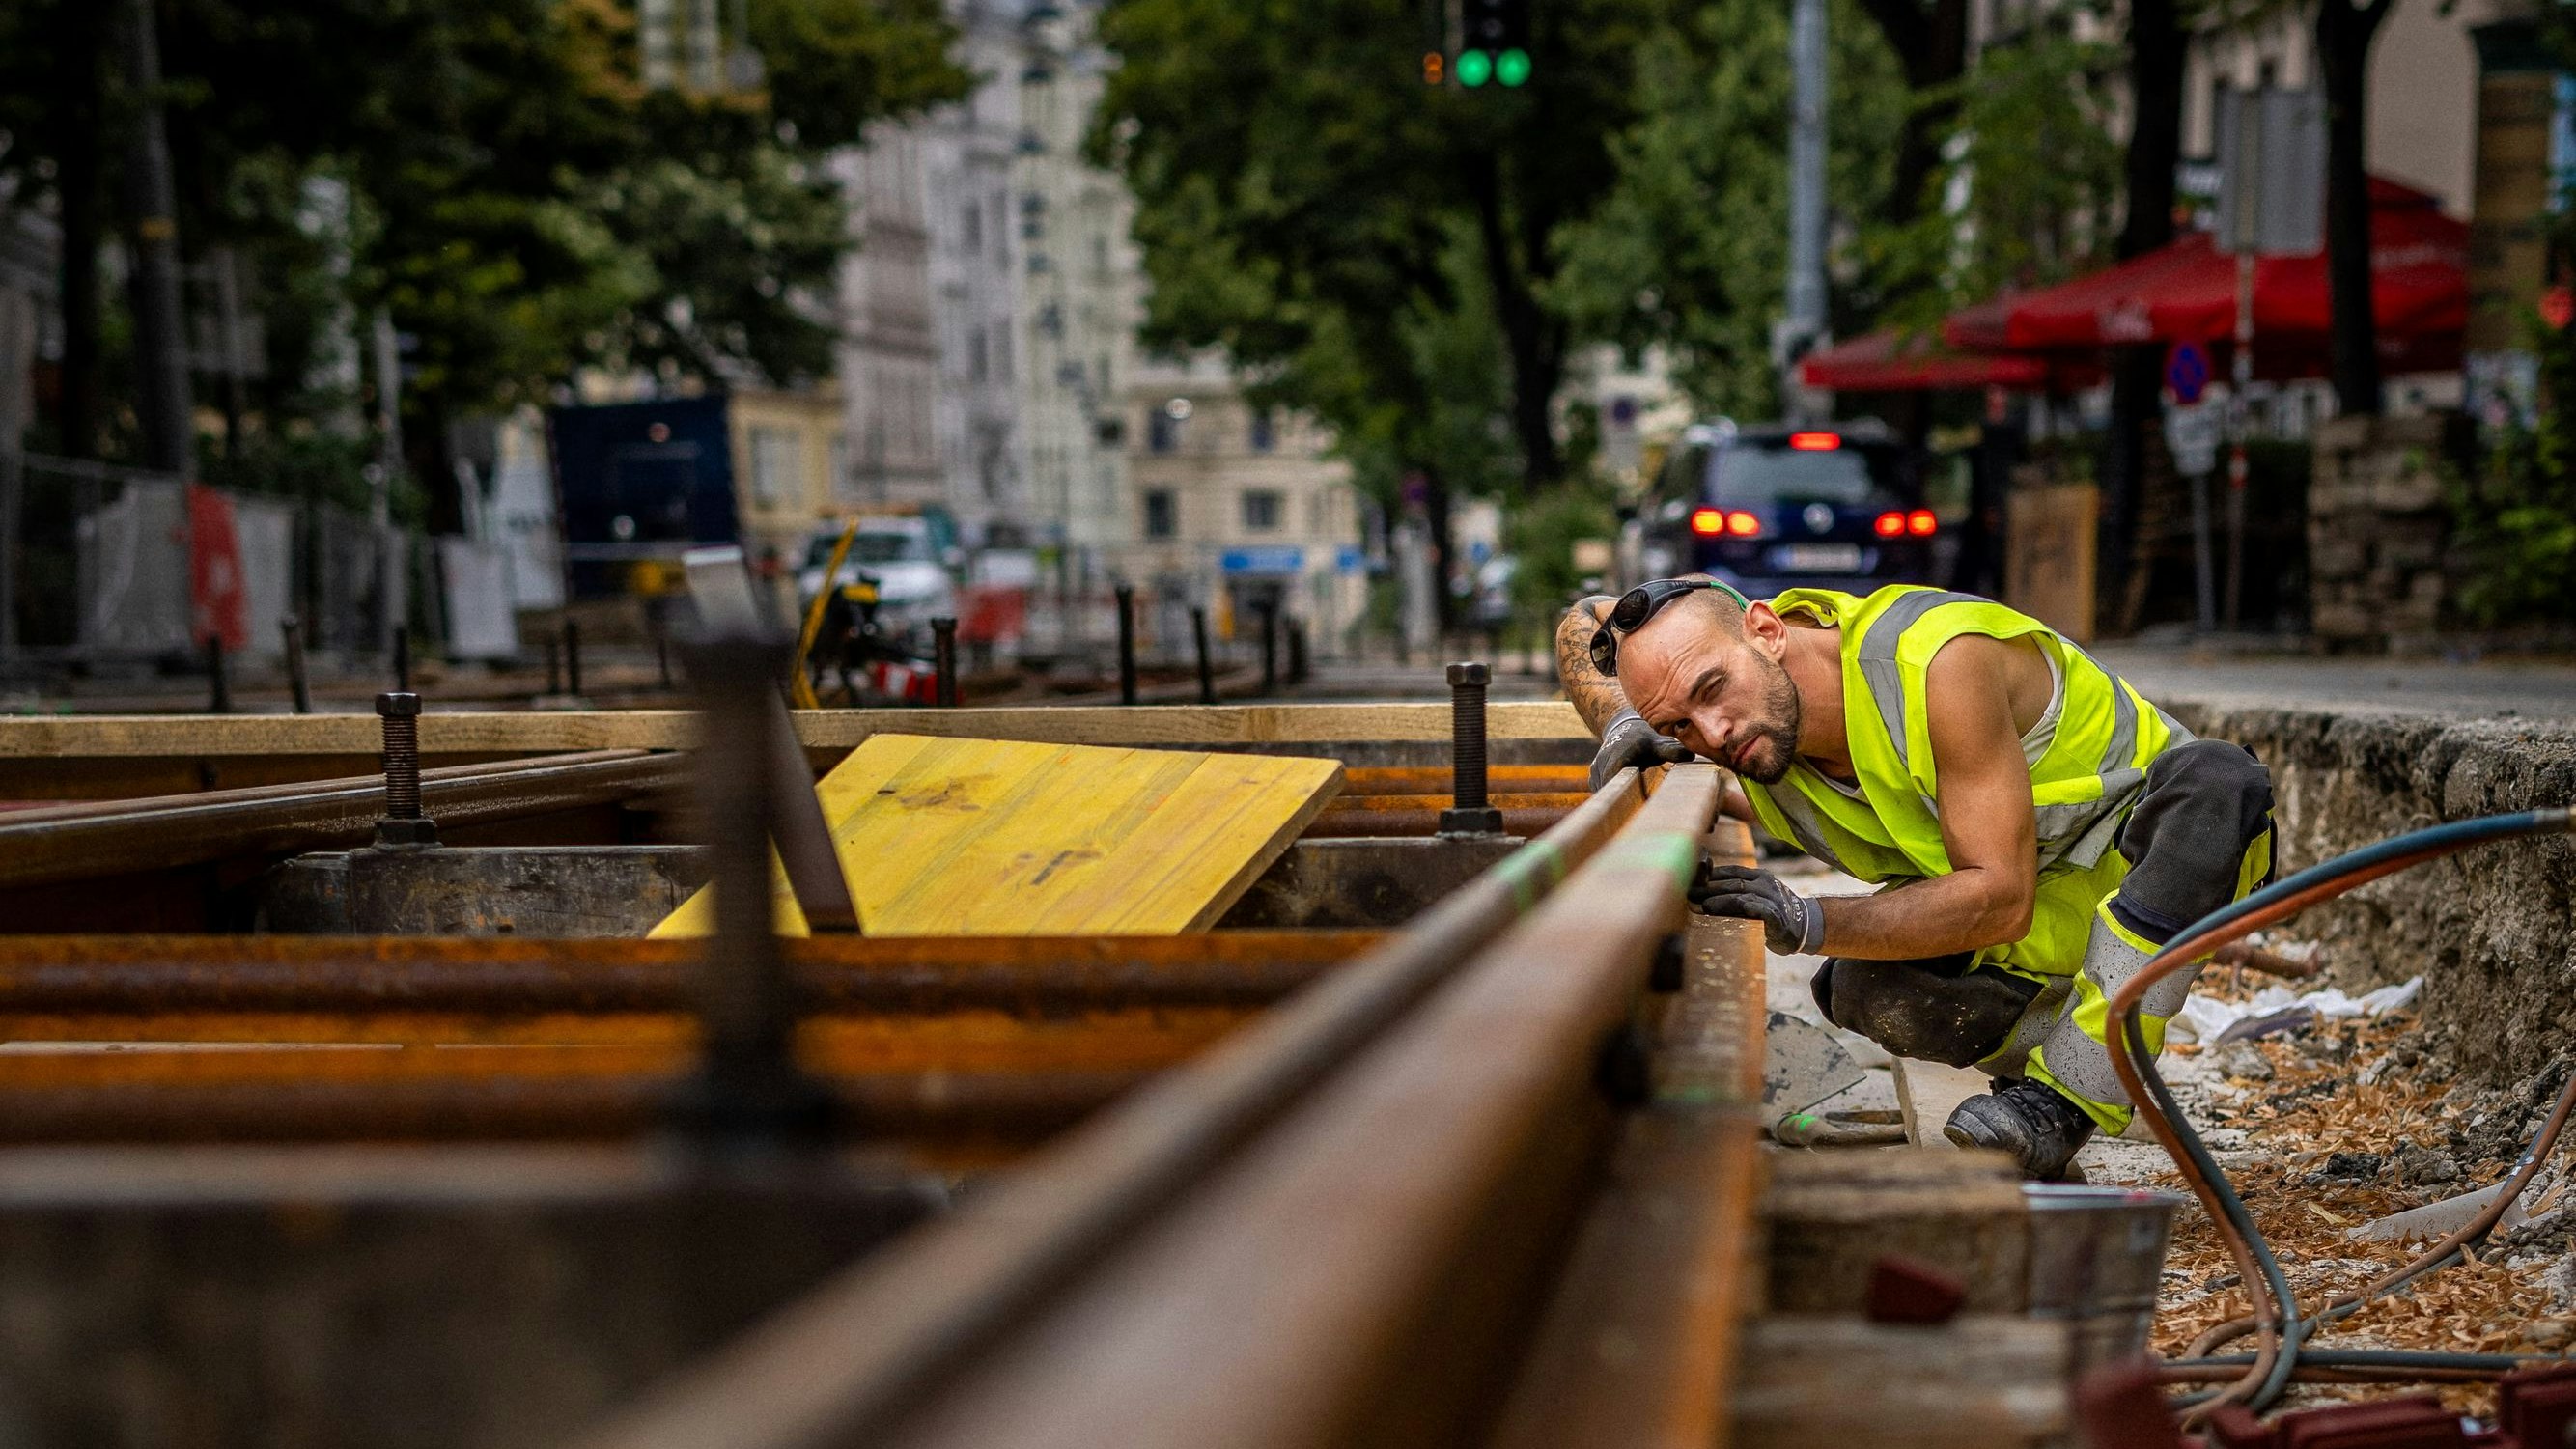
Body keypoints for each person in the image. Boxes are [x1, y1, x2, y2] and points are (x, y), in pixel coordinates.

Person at [1556, 578, 2274, 1179]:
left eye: (1713, 688)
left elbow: (1999, 897)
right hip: (2055, 926)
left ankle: (2065, 1102)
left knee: (2216, 781)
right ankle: (2069, 1050)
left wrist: (1812, 919)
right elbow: (1583, 616)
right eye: (1680, 726)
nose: (1710, 733)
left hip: (2159, 866)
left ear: (1768, 629)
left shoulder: (1934, 662)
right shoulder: (1763, 747)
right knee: (1862, 987)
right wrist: (1627, 723)